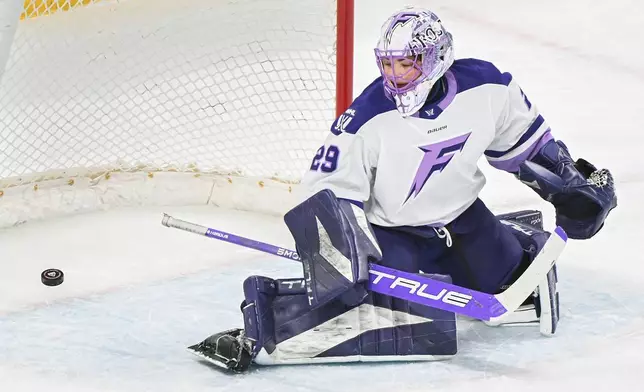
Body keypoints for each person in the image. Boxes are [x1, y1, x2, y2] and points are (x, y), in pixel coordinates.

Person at [188, 7, 617, 372]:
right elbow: (324, 192)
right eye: (388, 64)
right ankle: (263, 321)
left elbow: (528, 146)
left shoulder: (488, 87)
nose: (395, 76)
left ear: (436, 58)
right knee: (395, 319)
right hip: (393, 233)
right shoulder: (365, 119)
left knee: (506, 281)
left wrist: (570, 191)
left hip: (465, 219)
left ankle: (518, 239)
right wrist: (343, 251)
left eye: (406, 63)